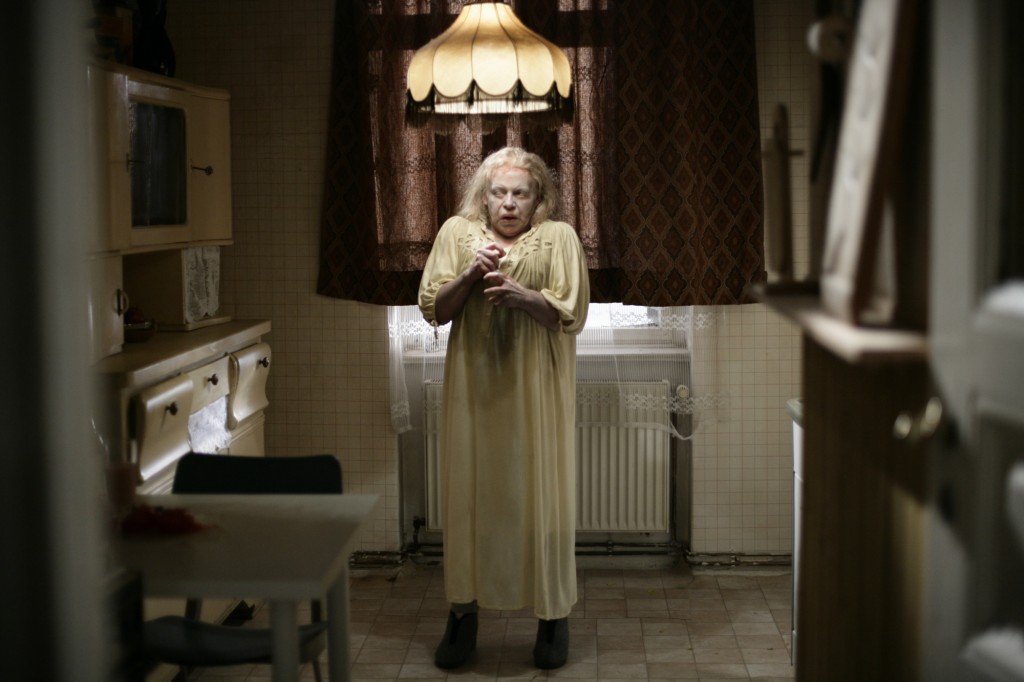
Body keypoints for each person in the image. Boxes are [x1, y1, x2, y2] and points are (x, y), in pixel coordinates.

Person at [418, 147, 590, 670]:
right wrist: (470, 275)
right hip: (474, 387)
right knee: (470, 495)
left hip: (537, 388)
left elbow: (571, 314)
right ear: (484, 196)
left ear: (538, 199)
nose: (509, 203)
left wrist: (522, 296)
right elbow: (435, 310)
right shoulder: (456, 233)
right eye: (499, 192)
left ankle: (552, 617)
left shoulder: (559, 237)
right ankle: (463, 615)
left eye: (520, 193)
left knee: (542, 493)